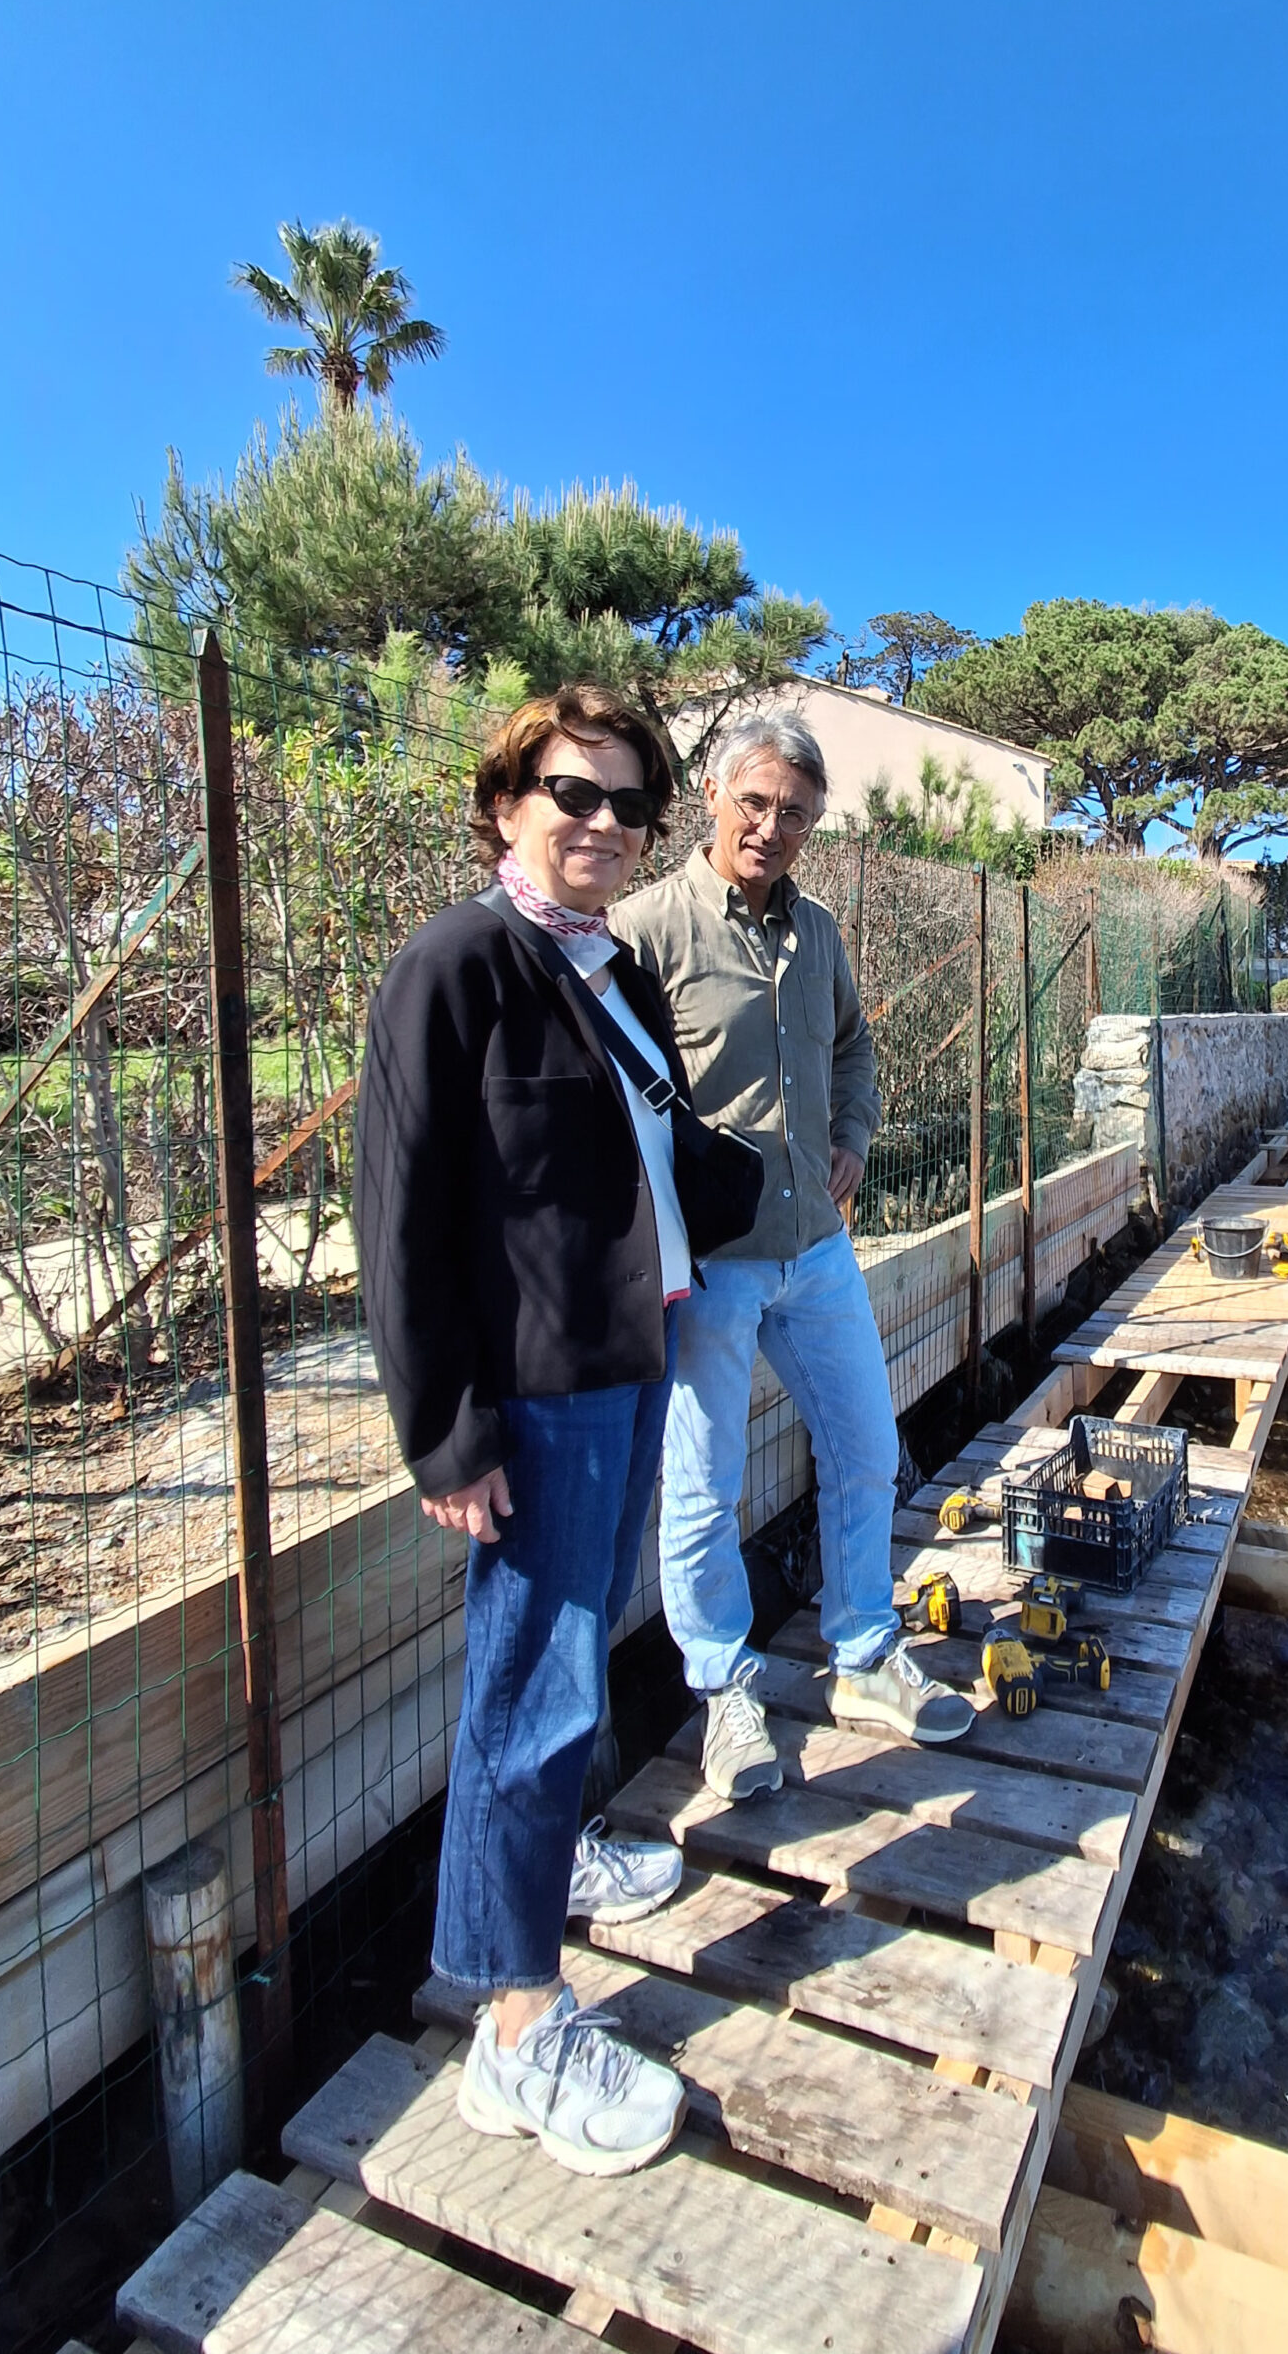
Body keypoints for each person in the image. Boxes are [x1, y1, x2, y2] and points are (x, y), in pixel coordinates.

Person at [356, 683, 717, 2179]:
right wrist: (448, 1435)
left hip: (633, 1354)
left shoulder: (612, 967)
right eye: (574, 792)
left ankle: (551, 1860)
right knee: (534, 1689)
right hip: (538, 1395)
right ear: (507, 803)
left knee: (569, 1660)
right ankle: (514, 2029)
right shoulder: (454, 963)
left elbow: (640, 1153)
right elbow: (402, 1219)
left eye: (631, 803)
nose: (604, 823)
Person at [616, 711, 973, 1800]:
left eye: (798, 815)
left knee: (867, 1447)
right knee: (702, 1488)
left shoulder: (817, 932)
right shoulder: (645, 930)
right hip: (711, 1264)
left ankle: (864, 1652)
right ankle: (725, 1691)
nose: (773, 828)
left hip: (816, 1246)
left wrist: (853, 1134)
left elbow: (854, 1044)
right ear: (713, 795)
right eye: (757, 803)